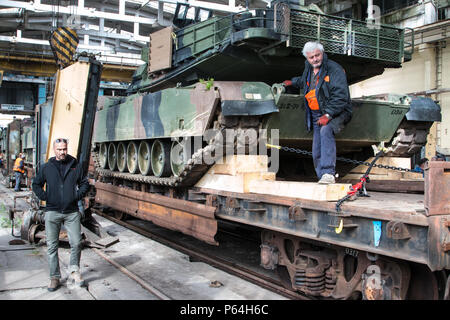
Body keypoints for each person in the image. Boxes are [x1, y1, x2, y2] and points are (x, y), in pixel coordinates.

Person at [283, 41, 352, 184]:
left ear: (322, 53)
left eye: (317, 55)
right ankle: (322, 176)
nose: (315, 59)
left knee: (326, 131)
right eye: (311, 57)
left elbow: (341, 97)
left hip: (337, 111)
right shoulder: (309, 67)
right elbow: (305, 81)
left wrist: (328, 115)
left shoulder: (334, 70)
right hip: (316, 113)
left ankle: (328, 174)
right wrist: (292, 82)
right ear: (307, 58)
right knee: (316, 148)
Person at [32, 138, 89, 292]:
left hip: (71, 212)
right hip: (52, 211)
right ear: (54, 150)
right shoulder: (46, 168)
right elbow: (35, 184)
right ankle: (54, 277)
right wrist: (46, 197)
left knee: (76, 242)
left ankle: (75, 271)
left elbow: (84, 183)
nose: (62, 152)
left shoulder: (75, 166)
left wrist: (77, 196)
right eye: (59, 149)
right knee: (51, 245)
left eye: (64, 149)